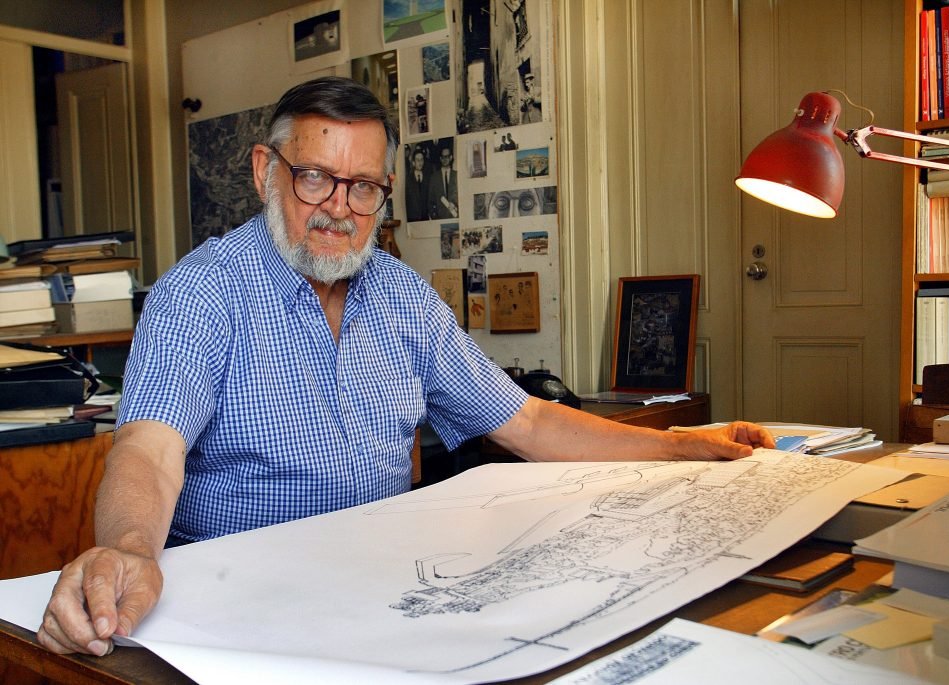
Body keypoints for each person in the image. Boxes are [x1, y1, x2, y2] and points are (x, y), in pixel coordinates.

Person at [36, 76, 774, 657]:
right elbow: (148, 453)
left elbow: (528, 422)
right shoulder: (201, 294)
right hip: (241, 610)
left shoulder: (402, 298)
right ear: (265, 171)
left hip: (381, 596)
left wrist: (682, 446)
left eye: (364, 187)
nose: (339, 209)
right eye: (315, 178)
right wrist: (128, 551)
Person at [428, 145, 458, 219]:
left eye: (447, 156)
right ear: (440, 159)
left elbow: (461, 197)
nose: (445, 159)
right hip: (439, 219)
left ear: (451, 157)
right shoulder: (434, 178)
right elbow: (430, 201)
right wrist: (435, 218)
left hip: (455, 217)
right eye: (443, 157)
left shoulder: (457, 175)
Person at [404, 147, 431, 221]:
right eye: (417, 160)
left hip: (425, 218)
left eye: (421, 160)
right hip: (412, 219)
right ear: (413, 162)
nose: (420, 162)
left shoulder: (428, 178)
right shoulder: (407, 180)